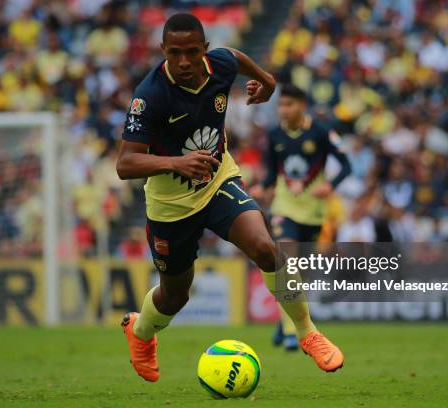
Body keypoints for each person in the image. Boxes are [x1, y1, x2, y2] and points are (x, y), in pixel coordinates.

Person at [117, 13, 344, 382]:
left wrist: (267, 82)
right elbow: (125, 163)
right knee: (175, 296)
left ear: (204, 49)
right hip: (171, 205)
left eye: (193, 51)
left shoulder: (218, 64)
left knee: (265, 248)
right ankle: (141, 332)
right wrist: (178, 162)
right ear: (163, 51)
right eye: (175, 53)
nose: (185, 61)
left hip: (219, 180)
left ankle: (308, 333)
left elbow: (235, 56)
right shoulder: (150, 95)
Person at [250, 84, 351, 351]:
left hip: (314, 211)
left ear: (302, 105)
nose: (283, 110)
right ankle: (291, 332)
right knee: (287, 262)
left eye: (288, 105)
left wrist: (331, 185)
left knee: (300, 275)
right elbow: (273, 173)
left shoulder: (320, 131)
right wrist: (264, 186)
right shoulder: (274, 135)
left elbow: (346, 165)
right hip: (284, 207)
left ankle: (285, 322)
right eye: (280, 105)